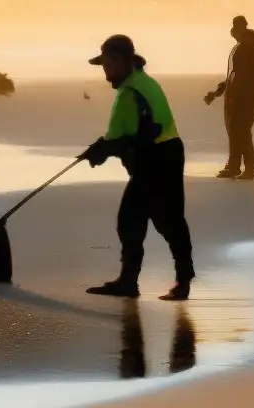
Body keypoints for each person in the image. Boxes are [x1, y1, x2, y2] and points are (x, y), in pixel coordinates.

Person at [81, 35, 193, 302]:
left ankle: (139, 282)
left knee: (150, 221)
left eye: (106, 65)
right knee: (157, 221)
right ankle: (149, 280)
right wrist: (102, 147)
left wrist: (102, 149)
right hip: (168, 152)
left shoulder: (131, 91)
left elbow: (135, 136)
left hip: (156, 159)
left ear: (119, 61)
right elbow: (127, 135)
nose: (105, 73)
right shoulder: (142, 82)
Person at [203, 14, 254, 180]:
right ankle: (235, 166)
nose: (232, 31)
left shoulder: (248, 48)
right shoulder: (245, 47)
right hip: (240, 96)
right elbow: (234, 75)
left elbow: (242, 76)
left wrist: (232, 93)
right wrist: (219, 92)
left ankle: (247, 168)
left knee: (241, 131)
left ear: (240, 28)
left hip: (244, 97)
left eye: (235, 27)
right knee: (237, 132)